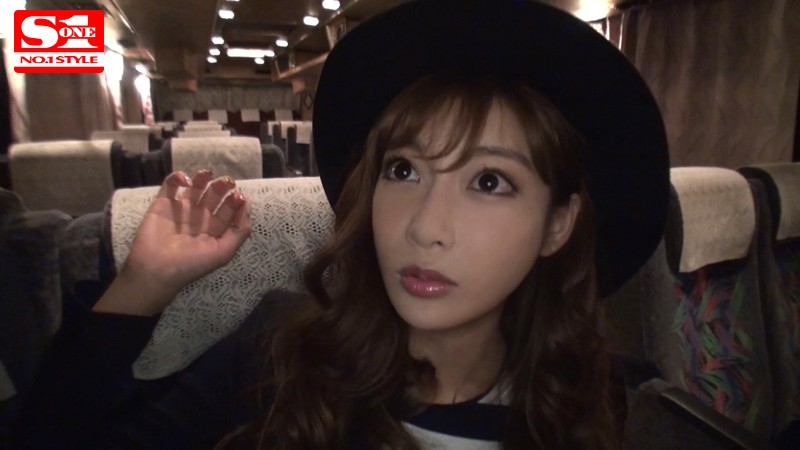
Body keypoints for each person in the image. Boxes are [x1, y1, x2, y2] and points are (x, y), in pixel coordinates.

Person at [14, 0, 669, 448]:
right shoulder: (278, 355)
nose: (425, 228)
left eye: (489, 181)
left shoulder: (608, 407)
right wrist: (143, 283)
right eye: (403, 170)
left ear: (558, 224)